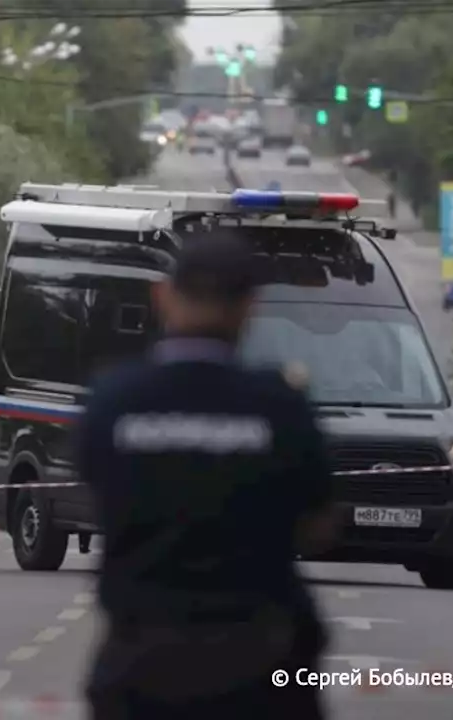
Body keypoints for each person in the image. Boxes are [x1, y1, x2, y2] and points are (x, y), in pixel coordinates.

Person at [76, 232, 337, 720]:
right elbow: (318, 526)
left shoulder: (113, 401)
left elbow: (99, 499)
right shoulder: (279, 407)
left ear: (162, 296)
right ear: (250, 308)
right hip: (259, 668)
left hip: (141, 668)